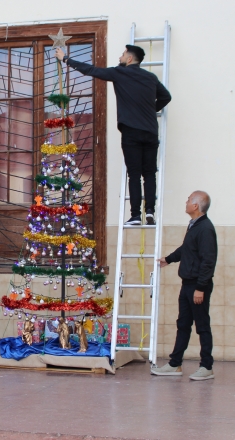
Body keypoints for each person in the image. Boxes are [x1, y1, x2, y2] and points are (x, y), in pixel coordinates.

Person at [55, 45, 171, 225]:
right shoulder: (151, 77)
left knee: (134, 173)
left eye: (123, 54)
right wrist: (149, 110)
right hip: (150, 131)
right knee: (149, 173)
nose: (121, 56)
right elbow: (166, 97)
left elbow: (91, 71)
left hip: (131, 132)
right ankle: (149, 212)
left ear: (130, 59)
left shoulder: (120, 73)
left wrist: (66, 59)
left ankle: (134, 216)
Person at [152, 191, 218, 381]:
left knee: (202, 326)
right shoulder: (194, 226)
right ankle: (175, 364)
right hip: (187, 284)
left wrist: (200, 287)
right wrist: (169, 259)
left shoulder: (205, 228)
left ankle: (207, 366)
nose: (186, 202)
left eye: (189, 200)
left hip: (198, 286)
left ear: (196, 206)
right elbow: (186, 249)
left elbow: (208, 261)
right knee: (183, 324)